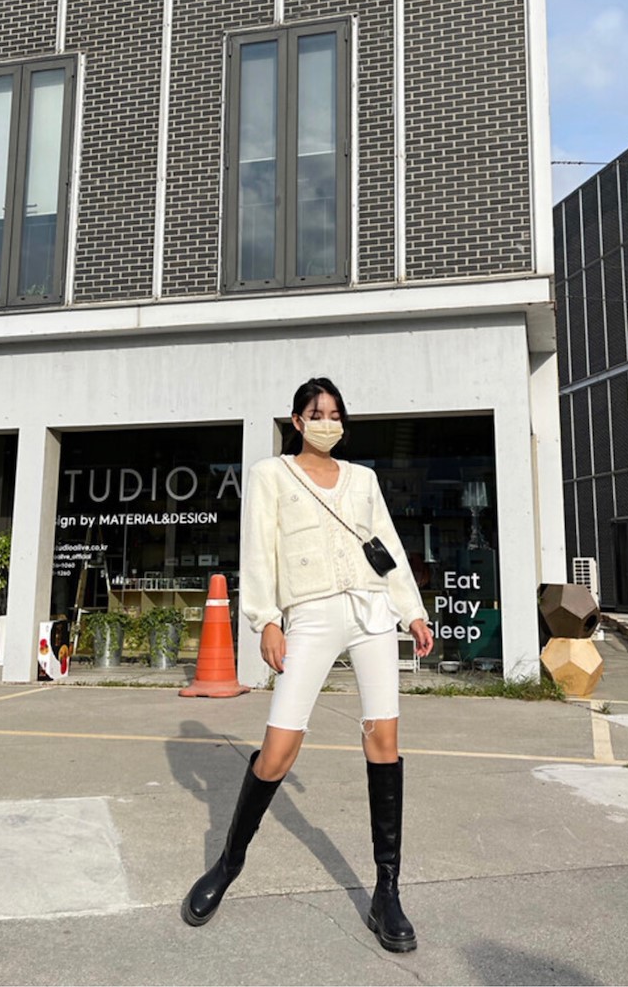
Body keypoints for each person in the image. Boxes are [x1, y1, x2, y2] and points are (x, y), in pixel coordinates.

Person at [181, 376, 434, 952]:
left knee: (384, 741)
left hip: (372, 613)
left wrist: (412, 613)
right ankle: (228, 864)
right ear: (296, 421)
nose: (327, 423)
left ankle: (387, 891)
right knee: (279, 748)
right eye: (316, 414)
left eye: (336, 414)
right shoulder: (271, 474)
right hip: (311, 615)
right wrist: (266, 619)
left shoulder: (363, 479)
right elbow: (258, 549)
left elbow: (387, 548)